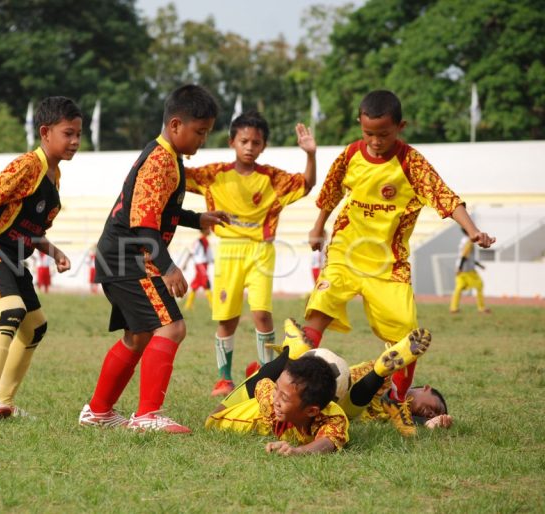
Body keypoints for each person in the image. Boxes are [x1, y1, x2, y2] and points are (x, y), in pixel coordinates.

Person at [304, 90, 495, 436]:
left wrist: (473, 231)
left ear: (400, 127)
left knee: (408, 338)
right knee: (319, 307)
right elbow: (330, 192)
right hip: (345, 254)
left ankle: (397, 399)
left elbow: (446, 197)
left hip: (389, 266)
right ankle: (295, 379)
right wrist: (317, 227)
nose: (375, 142)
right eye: (368, 134)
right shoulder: (350, 155)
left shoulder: (412, 163)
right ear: (360, 128)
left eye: (384, 134)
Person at [79, 84, 229, 433]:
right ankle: (147, 415)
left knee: (139, 335)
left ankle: (98, 411)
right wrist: (169, 267)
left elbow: (159, 211)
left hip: (116, 258)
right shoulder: (160, 160)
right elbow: (143, 223)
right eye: (200, 132)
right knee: (172, 327)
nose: (202, 140)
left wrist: (196, 218)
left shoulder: (166, 157)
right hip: (128, 259)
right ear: (176, 125)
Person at [0, 96, 82, 419]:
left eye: (79, 134)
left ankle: (4, 403)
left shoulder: (54, 175)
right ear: (45, 132)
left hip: (12, 254)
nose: (75, 141)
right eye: (68, 134)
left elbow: (30, 228)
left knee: (35, 327)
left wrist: (54, 252)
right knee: (12, 311)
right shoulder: (29, 165)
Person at [185, 110, 317, 397]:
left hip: (261, 251)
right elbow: (179, 177)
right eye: (244, 141)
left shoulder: (272, 178)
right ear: (232, 141)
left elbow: (306, 184)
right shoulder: (214, 175)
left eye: (255, 143)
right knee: (227, 318)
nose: (249, 147)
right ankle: (224, 379)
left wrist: (310, 155)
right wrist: (178, 148)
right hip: (228, 251)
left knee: (261, 314)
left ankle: (265, 376)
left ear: (263, 146)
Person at [220, 321, 449, 433]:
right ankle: (292, 354)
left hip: (336, 397)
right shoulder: (396, 385)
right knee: (263, 389)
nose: (431, 412)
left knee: (270, 385)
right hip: (339, 384)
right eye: (436, 407)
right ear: (426, 388)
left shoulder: (399, 414)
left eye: (433, 414)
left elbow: (409, 422)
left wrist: (431, 422)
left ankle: (292, 352)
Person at [206, 355, 348, 455]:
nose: (276, 400)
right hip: (251, 411)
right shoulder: (270, 403)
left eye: (284, 398)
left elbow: (328, 442)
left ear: (311, 411)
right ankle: (284, 356)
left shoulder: (333, 417)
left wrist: (297, 451)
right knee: (211, 420)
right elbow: (261, 383)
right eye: (277, 388)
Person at [450, 228, 490, 314]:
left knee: (459, 287)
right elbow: (465, 256)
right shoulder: (469, 241)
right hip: (467, 270)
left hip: (460, 268)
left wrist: (478, 265)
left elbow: (466, 256)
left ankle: (454, 308)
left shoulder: (463, 240)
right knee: (479, 285)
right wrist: (461, 267)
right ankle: (481, 308)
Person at [181, 227, 214, 310]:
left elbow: (209, 255)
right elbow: (191, 253)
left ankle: (188, 306)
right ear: (204, 230)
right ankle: (213, 305)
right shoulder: (199, 241)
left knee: (196, 284)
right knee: (206, 283)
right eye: (208, 229)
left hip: (204, 265)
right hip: (200, 265)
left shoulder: (206, 241)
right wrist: (185, 264)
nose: (209, 230)